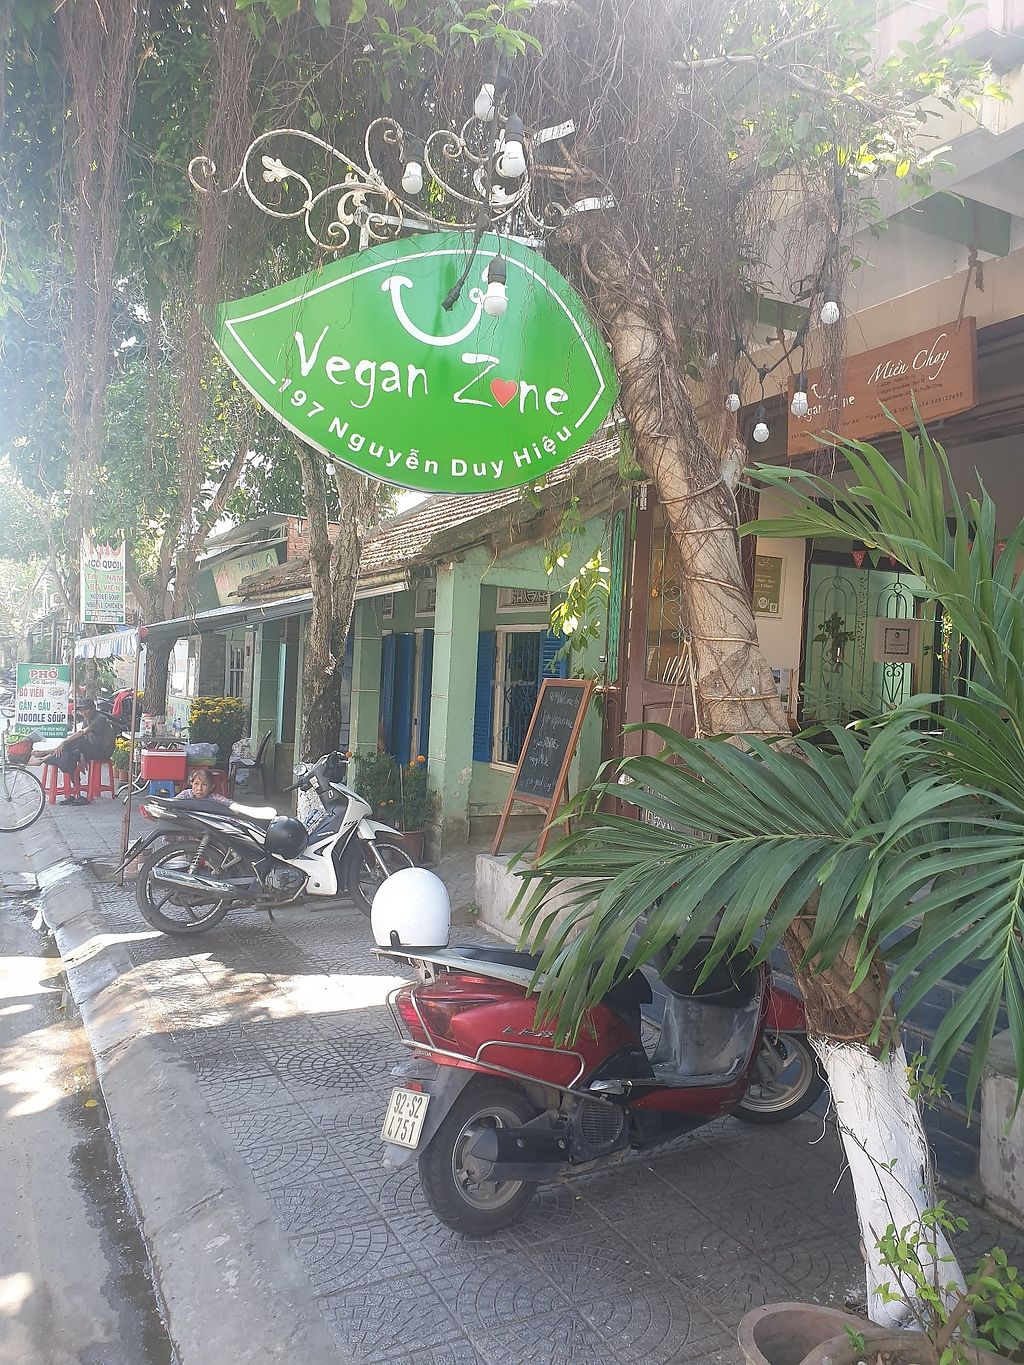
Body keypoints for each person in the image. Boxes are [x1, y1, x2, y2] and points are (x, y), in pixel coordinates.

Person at [41, 699, 116, 805]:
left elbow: (82, 733)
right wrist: (81, 754)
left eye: (86, 709)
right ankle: (76, 793)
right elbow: (84, 739)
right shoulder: (87, 719)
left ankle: (46, 753)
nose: (84, 712)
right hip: (91, 749)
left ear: (93, 708)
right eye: (81, 710)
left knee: (77, 741)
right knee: (69, 756)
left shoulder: (100, 718)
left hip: (103, 751)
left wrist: (64, 743)